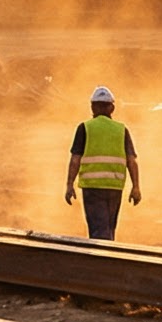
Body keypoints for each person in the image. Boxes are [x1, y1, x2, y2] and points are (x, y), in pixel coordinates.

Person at [63, 86, 141, 241]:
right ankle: (108, 259)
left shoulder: (85, 128)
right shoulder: (121, 129)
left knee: (98, 231)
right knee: (109, 228)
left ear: (92, 107)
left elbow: (75, 159)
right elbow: (131, 161)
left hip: (92, 188)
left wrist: (69, 184)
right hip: (114, 187)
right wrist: (136, 187)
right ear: (112, 108)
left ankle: (101, 263)